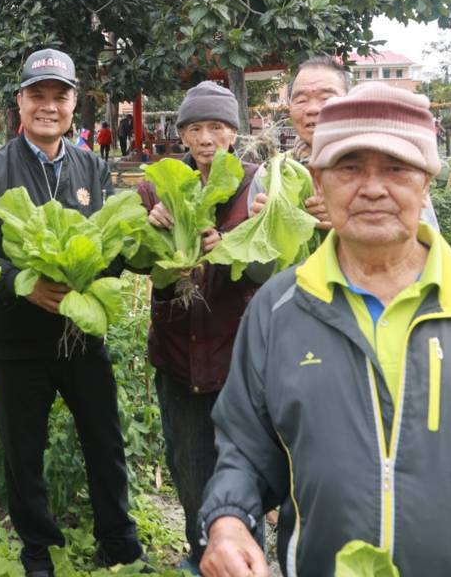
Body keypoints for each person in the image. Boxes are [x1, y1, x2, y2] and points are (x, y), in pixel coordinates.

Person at [198, 83, 451, 577]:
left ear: (427, 181)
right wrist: (228, 519)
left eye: (396, 168)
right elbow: (244, 450)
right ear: (319, 180)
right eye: (350, 167)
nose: (373, 187)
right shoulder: (281, 309)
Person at [0, 48, 148, 577]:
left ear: (73, 102)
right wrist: (22, 283)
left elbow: (117, 243)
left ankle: (119, 542)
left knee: (105, 440)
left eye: (58, 97)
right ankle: (38, 549)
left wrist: (139, 247)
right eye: (36, 96)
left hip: (81, 336)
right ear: (20, 102)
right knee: (24, 453)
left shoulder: (93, 167)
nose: (48, 106)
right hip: (17, 341)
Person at [135, 82, 266, 575]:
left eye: (216, 127)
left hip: (238, 364)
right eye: (194, 128)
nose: (205, 138)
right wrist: (151, 228)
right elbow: (133, 259)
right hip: (178, 358)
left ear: (233, 133)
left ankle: (251, 562)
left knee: (247, 478)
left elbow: (268, 267)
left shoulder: (255, 186)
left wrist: (229, 243)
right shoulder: (158, 186)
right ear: (183, 135)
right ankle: (198, 558)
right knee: (191, 476)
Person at [250, 55, 438, 229]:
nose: (313, 109)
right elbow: (256, 264)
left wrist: (350, 216)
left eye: (326, 98)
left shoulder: (389, 168)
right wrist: (261, 226)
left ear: (349, 104)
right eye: (301, 100)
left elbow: (426, 240)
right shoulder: (270, 173)